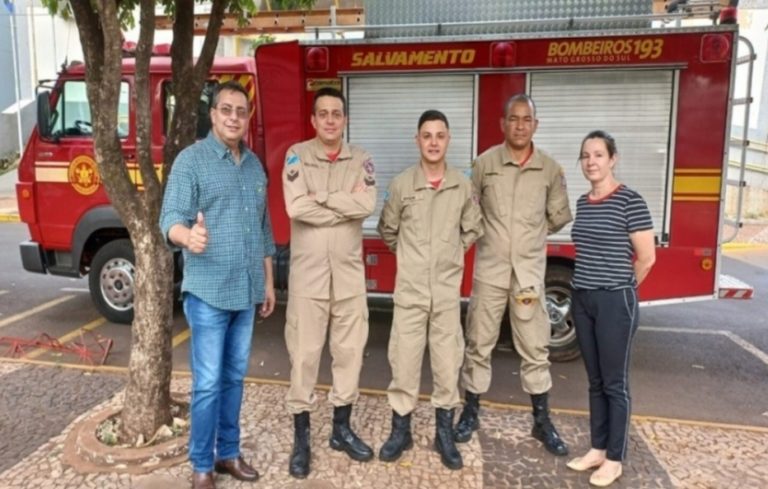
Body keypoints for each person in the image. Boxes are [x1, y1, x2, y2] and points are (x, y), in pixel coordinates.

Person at [160, 80, 276, 489]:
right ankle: (201, 465)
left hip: (246, 294)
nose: (233, 117)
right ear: (213, 115)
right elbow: (168, 218)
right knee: (207, 383)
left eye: (240, 111)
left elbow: (264, 228)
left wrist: (268, 282)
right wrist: (187, 236)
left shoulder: (254, 165)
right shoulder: (191, 161)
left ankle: (227, 454)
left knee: (233, 378)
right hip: (208, 293)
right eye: (226, 109)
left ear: (248, 118)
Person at [455, 93, 572, 456]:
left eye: (527, 119)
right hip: (490, 272)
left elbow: (558, 216)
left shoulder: (550, 170)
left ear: (535, 125)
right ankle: (471, 413)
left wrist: (527, 238)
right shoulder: (484, 165)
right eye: (514, 119)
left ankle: (541, 420)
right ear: (503, 123)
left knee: (535, 347)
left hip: (528, 277)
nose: (520, 125)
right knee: (479, 344)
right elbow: (470, 213)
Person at [377, 110, 483, 470]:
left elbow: (472, 228)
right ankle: (400, 431)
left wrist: (452, 253)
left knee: (447, 363)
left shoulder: (461, 185)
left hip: (446, 295)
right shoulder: (403, 185)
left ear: (448, 139)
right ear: (417, 140)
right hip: (410, 293)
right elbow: (388, 230)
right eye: (427, 135)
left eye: (440, 135)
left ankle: (444, 434)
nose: (433, 142)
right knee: (403, 362)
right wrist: (410, 257)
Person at [282, 87, 376, 478]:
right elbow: (296, 207)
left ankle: (341, 428)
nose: (331, 120)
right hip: (308, 279)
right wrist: (341, 202)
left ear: (345, 119)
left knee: (349, 354)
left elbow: (367, 206)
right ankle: (302, 437)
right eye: (324, 114)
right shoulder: (297, 155)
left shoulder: (362, 159)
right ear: (314, 120)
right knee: (304, 357)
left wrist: (321, 197)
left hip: (349, 280)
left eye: (337, 113)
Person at [566, 130, 655, 487]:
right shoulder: (583, 202)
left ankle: (615, 459)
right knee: (595, 381)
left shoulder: (631, 201)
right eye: (586, 155)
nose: (591, 162)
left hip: (615, 300)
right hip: (582, 297)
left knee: (615, 384)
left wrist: (621, 292)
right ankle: (598, 448)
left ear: (612, 158)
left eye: (599, 155)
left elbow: (647, 258)